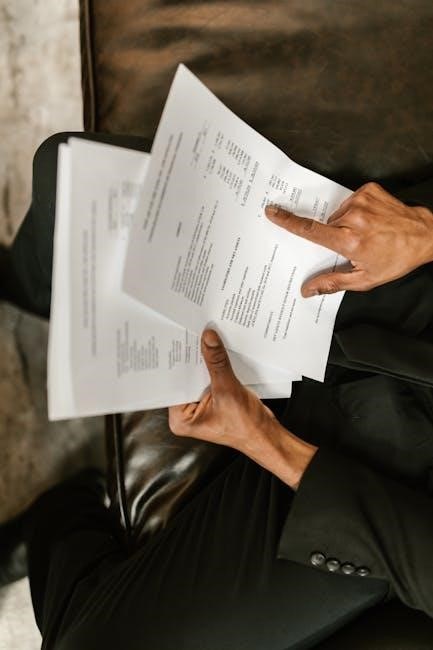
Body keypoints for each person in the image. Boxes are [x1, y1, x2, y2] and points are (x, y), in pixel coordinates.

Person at [1, 131, 433, 649]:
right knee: (71, 175)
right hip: (409, 299)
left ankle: (59, 515)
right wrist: (426, 232)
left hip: (387, 506)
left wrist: (266, 441)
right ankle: (33, 293)